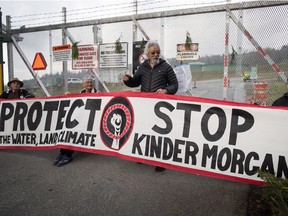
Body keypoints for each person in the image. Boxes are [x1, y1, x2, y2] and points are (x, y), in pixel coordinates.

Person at [123, 40, 178, 172]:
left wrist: (166, 90)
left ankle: (160, 160)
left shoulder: (166, 67)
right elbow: (135, 82)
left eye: (158, 52)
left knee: (159, 134)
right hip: (145, 105)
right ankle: (142, 156)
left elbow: (175, 85)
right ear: (147, 53)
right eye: (153, 52)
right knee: (143, 131)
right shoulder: (143, 67)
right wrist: (128, 80)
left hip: (160, 107)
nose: (155, 55)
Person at [54, 75, 97, 167]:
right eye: (87, 82)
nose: (89, 84)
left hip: (91, 121)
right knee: (66, 129)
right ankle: (62, 153)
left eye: (90, 82)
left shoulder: (98, 93)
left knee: (74, 132)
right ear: (83, 84)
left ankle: (68, 154)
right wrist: (68, 97)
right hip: (81, 119)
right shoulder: (80, 93)